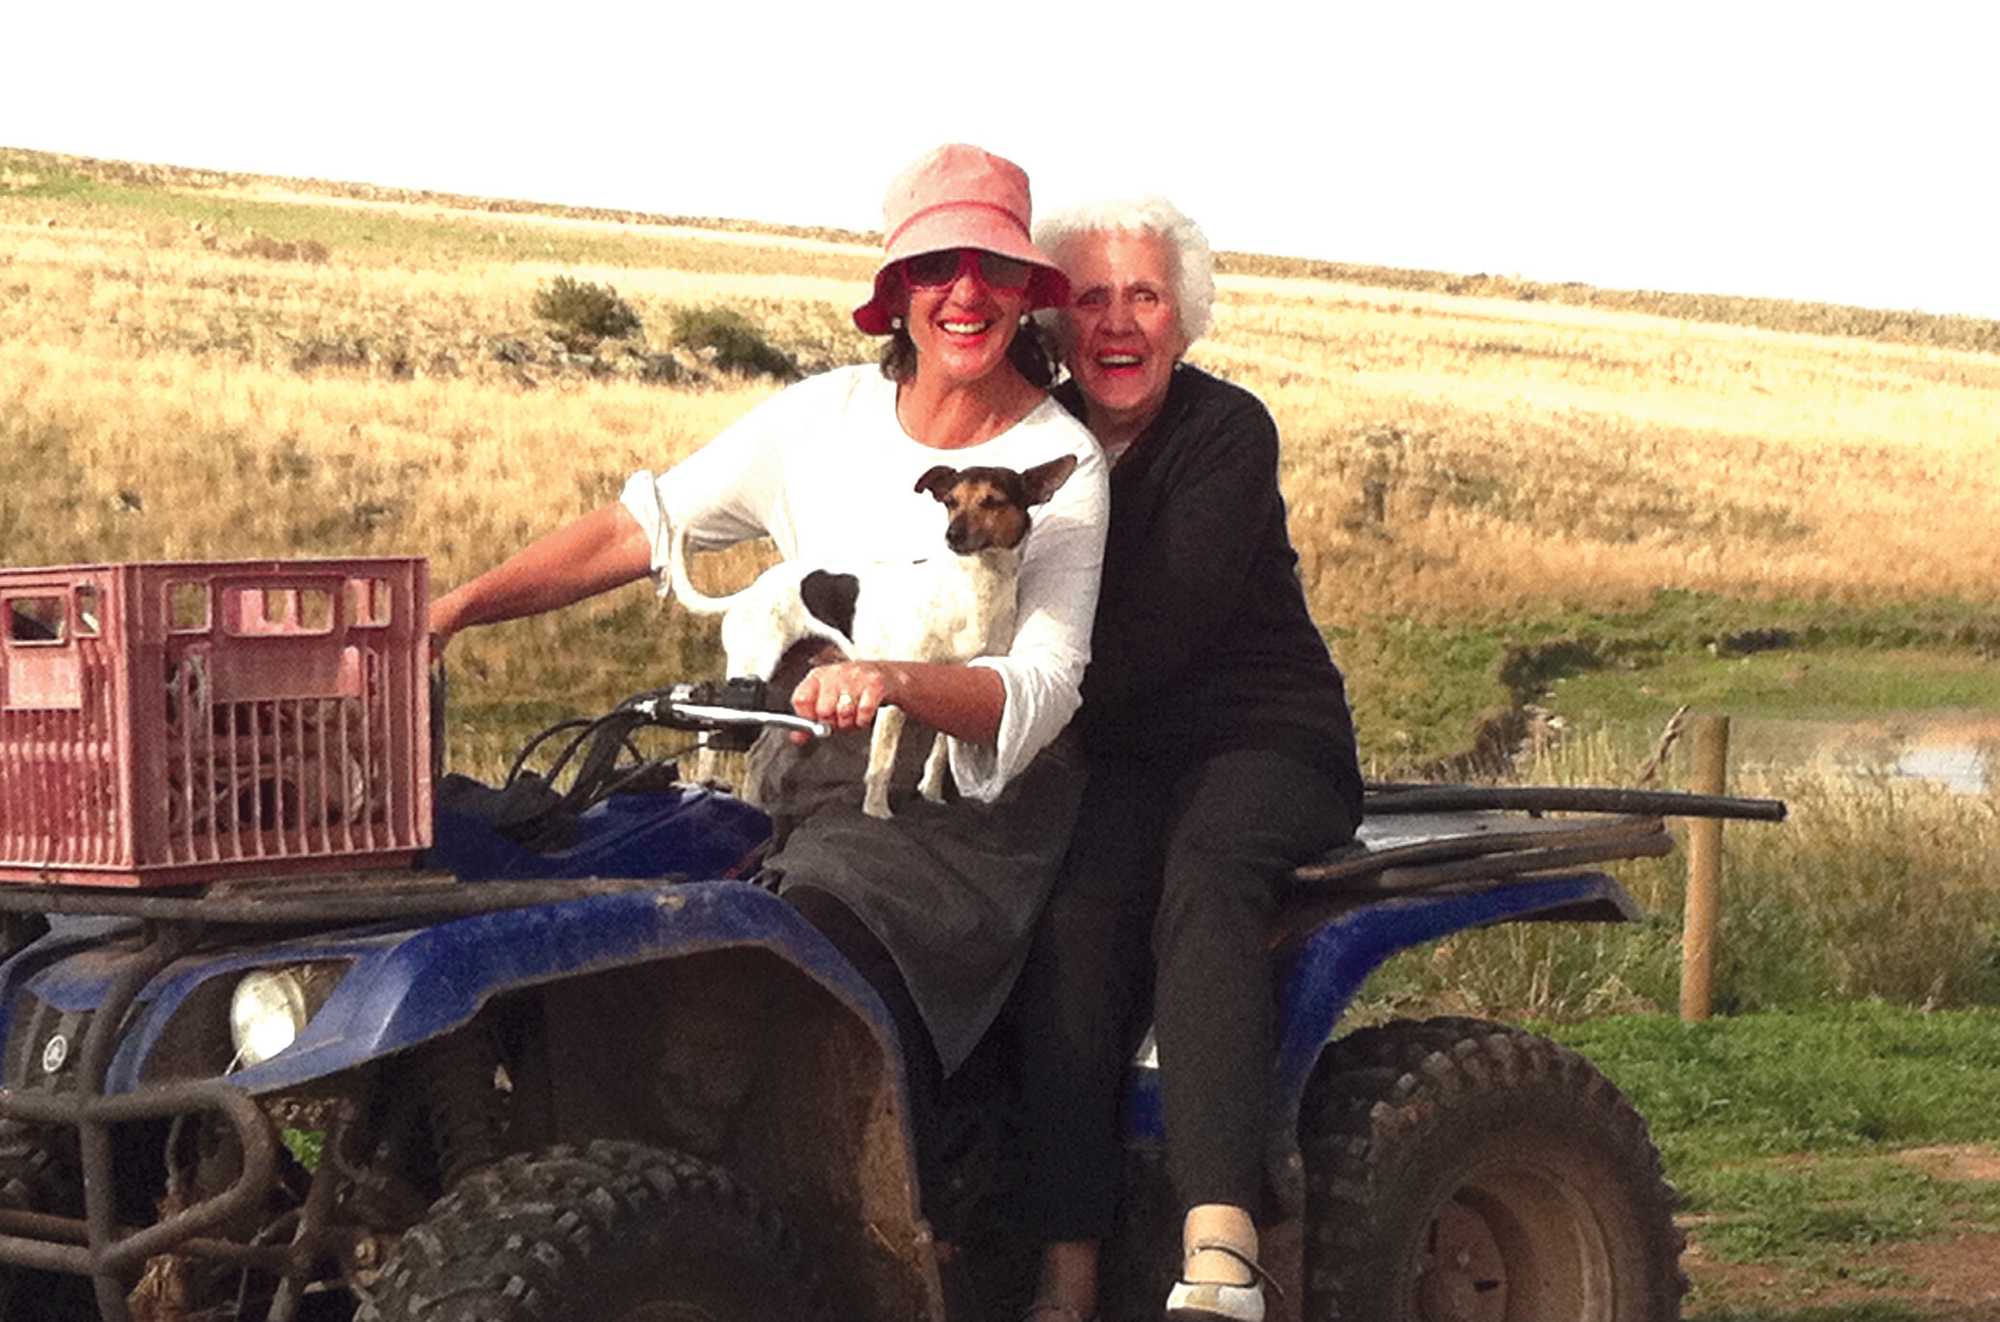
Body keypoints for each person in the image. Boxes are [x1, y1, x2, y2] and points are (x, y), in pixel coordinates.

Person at [427, 144, 1110, 1221]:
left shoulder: (1054, 465)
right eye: (935, 267)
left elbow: (1040, 684)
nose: (965, 291)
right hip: (786, 766)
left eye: (992, 264)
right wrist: (455, 609)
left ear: (1025, 289)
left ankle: (813, 1237)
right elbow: (638, 527)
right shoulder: (819, 419)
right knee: (596, 915)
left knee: (770, 972)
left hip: (953, 807)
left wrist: (891, 681)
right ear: (897, 293)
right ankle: (570, 1214)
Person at [1010, 199, 1364, 1322]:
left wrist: (990, 704)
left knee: (1205, 878)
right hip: (1122, 756)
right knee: (1069, 917)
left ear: (1184, 318)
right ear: (1057, 319)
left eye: (1145, 297)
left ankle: (1222, 1249)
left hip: (1262, 738)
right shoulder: (1035, 436)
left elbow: (1170, 624)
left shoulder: (1226, 431)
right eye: (1092, 296)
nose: (1118, 322)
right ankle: (1065, 1269)